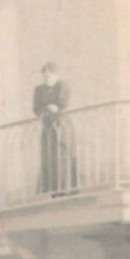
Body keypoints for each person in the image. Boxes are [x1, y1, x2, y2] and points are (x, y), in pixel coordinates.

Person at [33, 62, 78, 196]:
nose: (47, 78)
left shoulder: (62, 85)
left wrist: (55, 107)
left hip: (62, 123)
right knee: (49, 156)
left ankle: (68, 188)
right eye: (45, 76)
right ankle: (53, 190)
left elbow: (62, 102)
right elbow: (36, 108)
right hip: (48, 126)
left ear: (56, 75)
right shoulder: (39, 89)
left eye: (50, 75)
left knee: (64, 154)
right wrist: (45, 110)